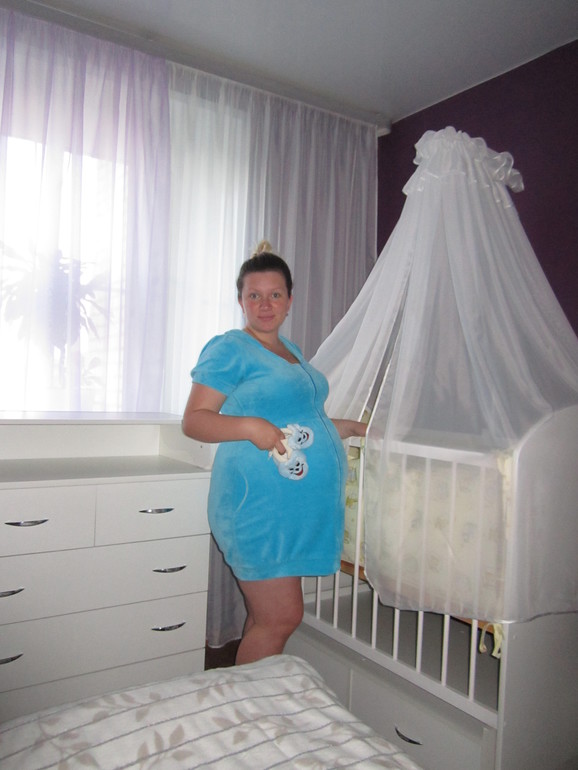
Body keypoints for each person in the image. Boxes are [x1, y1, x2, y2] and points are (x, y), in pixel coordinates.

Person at [182, 241, 366, 664]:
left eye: (275, 295)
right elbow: (195, 420)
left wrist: (353, 427)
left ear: (289, 301)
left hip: (288, 508)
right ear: (241, 301)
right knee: (281, 617)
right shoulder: (230, 347)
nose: (265, 305)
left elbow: (302, 425)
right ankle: (247, 702)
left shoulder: (291, 352)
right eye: (254, 295)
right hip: (257, 505)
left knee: (265, 618)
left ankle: (248, 695)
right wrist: (250, 427)